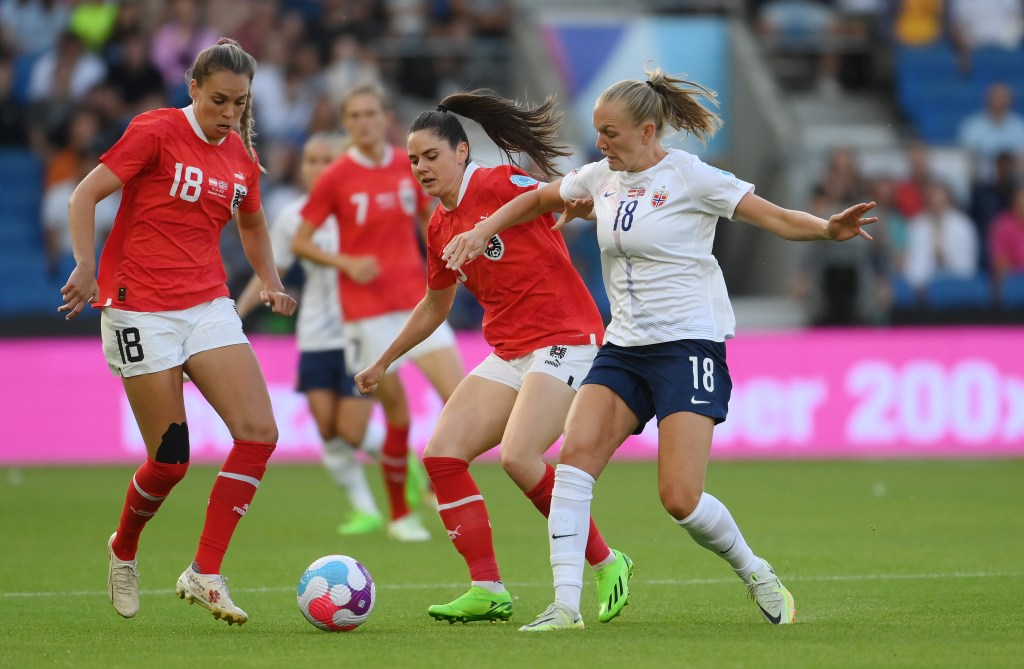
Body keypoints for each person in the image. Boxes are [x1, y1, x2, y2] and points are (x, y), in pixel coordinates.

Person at [443, 67, 877, 631]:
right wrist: (482, 231)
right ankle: (565, 607)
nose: (601, 143)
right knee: (574, 463)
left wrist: (826, 229)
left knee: (679, 498)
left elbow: (772, 216)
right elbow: (539, 199)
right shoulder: (601, 177)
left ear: (647, 131)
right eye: (598, 132)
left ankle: (754, 571)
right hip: (624, 347)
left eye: (611, 132)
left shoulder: (692, 176)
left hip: (687, 346)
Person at [354, 91, 634, 626]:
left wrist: (580, 206)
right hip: (509, 350)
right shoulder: (439, 226)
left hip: (566, 337)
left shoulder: (500, 182)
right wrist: (384, 360)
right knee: (442, 455)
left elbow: (558, 197)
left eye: (431, 156)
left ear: (461, 152)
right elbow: (435, 305)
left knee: (518, 457)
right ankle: (487, 588)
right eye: (413, 160)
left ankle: (606, 561)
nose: (421, 168)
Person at [58, 38, 297, 626]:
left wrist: (269, 280)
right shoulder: (156, 130)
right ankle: (124, 548)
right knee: (170, 462)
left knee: (259, 433)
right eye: (219, 100)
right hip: (138, 308)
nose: (229, 113)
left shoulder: (241, 158)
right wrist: (86, 266)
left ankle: (205, 572)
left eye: (240, 103)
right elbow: (85, 194)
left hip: (207, 305)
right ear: (193, 88)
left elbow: (253, 223)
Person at [291, 82, 464, 542]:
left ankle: (434, 483)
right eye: (354, 115)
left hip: (416, 302)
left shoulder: (410, 166)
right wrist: (345, 262)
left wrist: (449, 255)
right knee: (398, 415)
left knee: (459, 397)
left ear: (387, 118)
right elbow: (301, 242)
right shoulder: (336, 176)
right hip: (365, 312)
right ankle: (400, 515)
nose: (363, 122)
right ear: (345, 123)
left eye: (371, 113)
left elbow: (428, 218)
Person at [235, 132, 386, 536]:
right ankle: (366, 510)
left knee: (351, 431)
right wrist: (238, 312)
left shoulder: (365, 207)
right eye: (310, 161)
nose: (317, 168)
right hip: (316, 335)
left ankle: (401, 459)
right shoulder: (293, 217)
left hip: (361, 333)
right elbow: (271, 272)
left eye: (326, 160)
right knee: (327, 429)